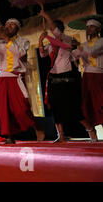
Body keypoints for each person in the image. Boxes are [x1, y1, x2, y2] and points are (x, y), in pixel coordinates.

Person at [0, 18, 45, 144]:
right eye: (7, 24)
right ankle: (9, 135)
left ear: (17, 28)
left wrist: (6, 39)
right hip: (3, 78)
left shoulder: (23, 41)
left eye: (12, 25)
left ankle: (36, 127)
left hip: (16, 78)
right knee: (4, 109)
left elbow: (19, 53)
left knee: (22, 108)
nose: (9, 26)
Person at [39, 10, 96, 142]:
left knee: (72, 107)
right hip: (53, 77)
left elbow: (54, 32)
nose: (53, 31)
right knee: (55, 106)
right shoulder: (51, 44)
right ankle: (61, 134)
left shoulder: (66, 39)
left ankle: (90, 130)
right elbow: (42, 55)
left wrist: (45, 15)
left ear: (59, 30)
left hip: (66, 77)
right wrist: (41, 41)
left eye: (55, 29)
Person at [71, 18, 102, 141]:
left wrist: (78, 48)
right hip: (87, 76)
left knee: (100, 103)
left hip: (99, 75)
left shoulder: (101, 41)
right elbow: (74, 55)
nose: (89, 29)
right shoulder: (83, 45)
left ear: (98, 29)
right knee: (87, 104)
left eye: (92, 27)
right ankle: (92, 132)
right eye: (87, 27)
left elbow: (92, 52)